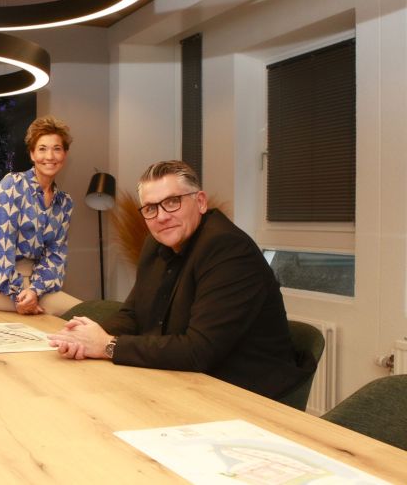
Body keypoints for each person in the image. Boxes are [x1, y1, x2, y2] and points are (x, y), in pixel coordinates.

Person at [48, 160, 315, 399]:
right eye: (151, 208)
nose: (162, 216)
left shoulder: (228, 249)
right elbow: (134, 314)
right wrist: (88, 336)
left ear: (200, 202)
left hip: (246, 395)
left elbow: (199, 350)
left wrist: (107, 345)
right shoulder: (155, 244)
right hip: (186, 381)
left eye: (172, 202)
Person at [0, 115, 82, 316]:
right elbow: (0, 245)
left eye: (57, 149)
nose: (49, 156)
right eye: (42, 149)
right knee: (78, 315)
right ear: (32, 154)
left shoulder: (64, 203)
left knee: (85, 313)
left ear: (65, 154)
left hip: (38, 287)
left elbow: (55, 255)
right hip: (1, 286)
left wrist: (35, 290)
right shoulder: (12, 185)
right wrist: (19, 294)